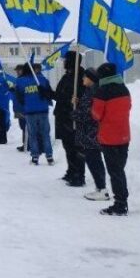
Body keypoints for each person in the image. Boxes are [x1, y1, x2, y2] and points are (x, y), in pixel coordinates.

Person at [92, 62, 131, 216]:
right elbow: (129, 107)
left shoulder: (102, 91)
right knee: (119, 170)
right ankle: (122, 200)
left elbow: (96, 115)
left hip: (109, 137)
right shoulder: (124, 89)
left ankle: (120, 204)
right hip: (124, 135)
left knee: (115, 172)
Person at [74, 68, 108, 202]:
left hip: (92, 133)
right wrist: (78, 104)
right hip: (89, 133)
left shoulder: (94, 92)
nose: (83, 79)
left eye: (85, 77)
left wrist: (74, 113)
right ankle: (100, 188)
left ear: (91, 79)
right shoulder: (90, 91)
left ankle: (102, 189)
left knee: (94, 161)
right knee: (93, 160)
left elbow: (90, 114)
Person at [55, 51, 86, 187]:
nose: (63, 62)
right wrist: (45, 92)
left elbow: (80, 97)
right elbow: (59, 95)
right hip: (63, 116)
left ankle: (79, 175)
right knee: (67, 146)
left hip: (72, 117)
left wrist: (72, 102)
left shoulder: (80, 77)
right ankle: (71, 171)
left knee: (76, 147)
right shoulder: (67, 76)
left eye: (66, 59)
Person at [16, 63, 53, 165]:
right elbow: (49, 93)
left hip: (30, 111)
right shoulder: (42, 79)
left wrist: (26, 103)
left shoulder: (20, 81)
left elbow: (19, 97)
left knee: (33, 135)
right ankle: (49, 156)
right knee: (45, 134)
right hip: (43, 110)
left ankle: (35, 157)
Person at [11, 65, 27, 152]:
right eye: (16, 70)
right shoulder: (18, 80)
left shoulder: (23, 80)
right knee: (23, 126)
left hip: (23, 107)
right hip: (18, 107)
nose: (17, 72)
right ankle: (26, 144)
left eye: (18, 70)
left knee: (25, 126)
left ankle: (27, 144)